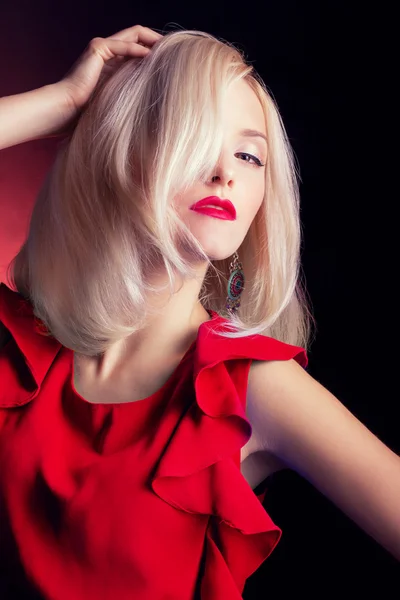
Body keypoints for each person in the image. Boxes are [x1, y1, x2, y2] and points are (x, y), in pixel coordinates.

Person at [0, 24, 398, 600]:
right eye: (192, 136)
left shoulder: (247, 385)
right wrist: (62, 102)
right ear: (120, 150)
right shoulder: (19, 351)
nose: (225, 173)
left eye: (248, 154)